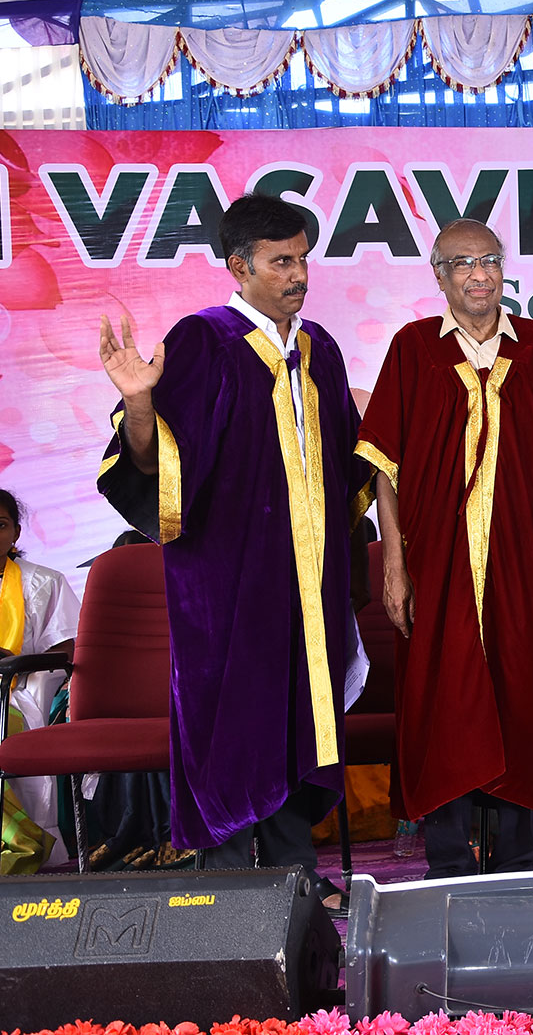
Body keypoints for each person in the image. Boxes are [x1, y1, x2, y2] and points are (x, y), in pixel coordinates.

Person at [97, 192, 371, 904]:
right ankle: (225, 887)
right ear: (239, 266)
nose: (298, 275)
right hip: (228, 585)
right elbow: (156, 466)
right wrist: (139, 403)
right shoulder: (204, 340)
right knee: (232, 726)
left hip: (309, 580)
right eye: (281, 262)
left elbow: (347, 466)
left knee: (298, 723)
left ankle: (293, 878)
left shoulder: (319, 348)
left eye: (303, 259)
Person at [356, 219, 533, 878]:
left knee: (528, 692)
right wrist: (394, 565)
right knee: (441, 697)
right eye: (462, 263)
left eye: (489, 261)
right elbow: (385, 465)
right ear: (439, 275)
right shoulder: (413, 348)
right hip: (438, 560)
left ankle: (522, 856)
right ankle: (449, 858)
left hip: (530, 560)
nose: (479, 274)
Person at [0, 490, 80, 874]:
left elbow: (66, 652)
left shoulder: (43, 582)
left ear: (15, 532)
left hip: (18, 691)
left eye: (0, 525)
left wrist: (9, 662)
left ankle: (23, 843)